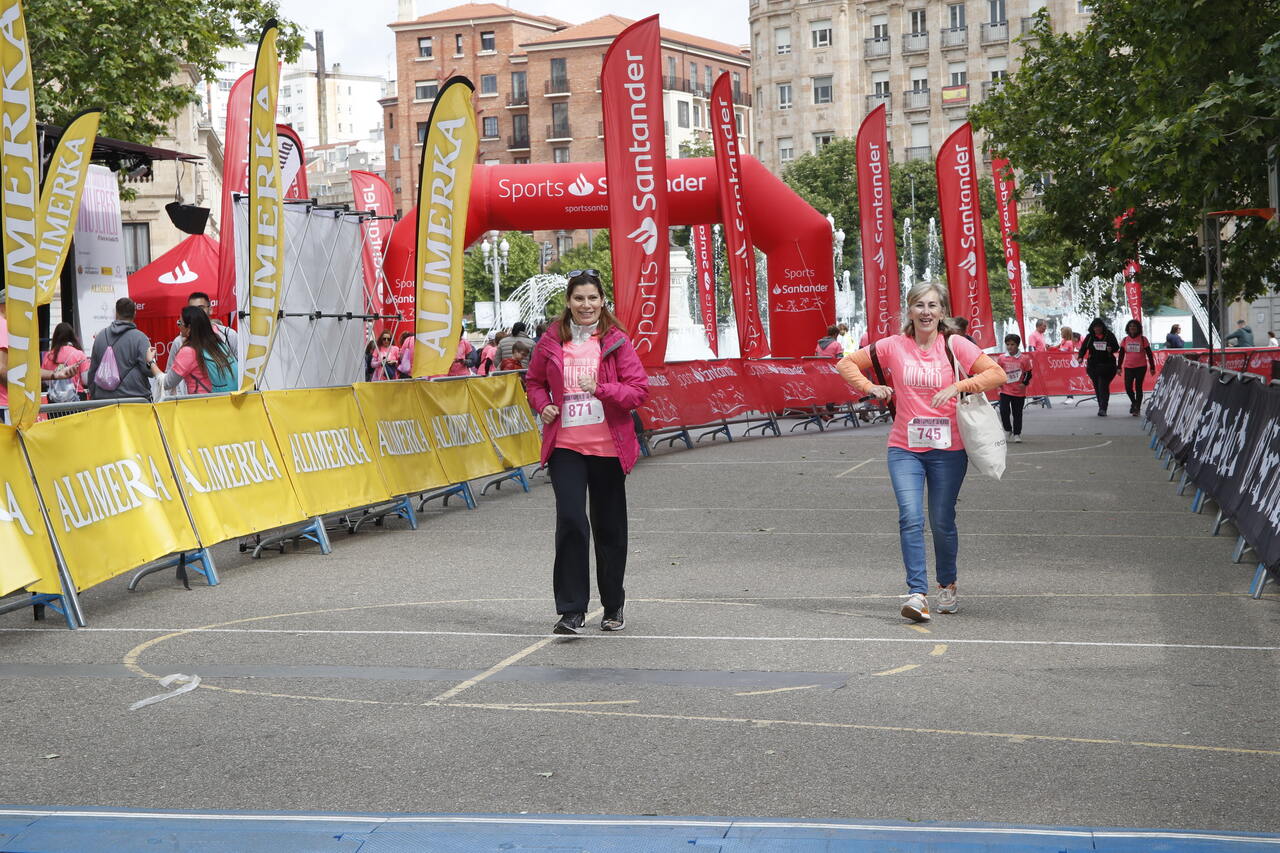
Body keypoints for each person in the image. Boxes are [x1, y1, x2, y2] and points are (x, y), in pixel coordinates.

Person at [837, 282, 1006, 623]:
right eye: (919, 305)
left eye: (933, 306)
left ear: (942, 312)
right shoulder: (892, 346)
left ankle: (948, 585)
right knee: (910, 518)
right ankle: (917, 593)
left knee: (941, 522)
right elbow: (846, 364)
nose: (926, 312)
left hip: (949, 450)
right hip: (905, 448)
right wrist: (871, 387)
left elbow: (996, 374)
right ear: (909, 311)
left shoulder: (954, 344)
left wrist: (959, 385)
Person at [525, 270, 649, 635]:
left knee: (609, 528)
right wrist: (543, 404)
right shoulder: (551, 340)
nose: (586, 305)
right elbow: (533, 382)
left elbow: (638, 391)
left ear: (602, 301)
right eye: (579, 298)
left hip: (609, 448)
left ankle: (613, 605)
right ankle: (571, 611)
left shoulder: (616, 341)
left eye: (592, 298)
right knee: (571, 522)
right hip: (566, 447)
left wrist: (602, 389)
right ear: (568, 301)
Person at [88, 298, 162, 401]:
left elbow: (92, 371)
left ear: (116, 313)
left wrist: (93, 395)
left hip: (104, 402)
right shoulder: (140, 338)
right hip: (135, 401)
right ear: (134, 314)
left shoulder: (100, 337)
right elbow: (148, 371)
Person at [0, 292, 60, 420]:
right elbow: (1, 368)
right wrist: (20, 392)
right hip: (6, 406)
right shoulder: (4, 326)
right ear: (4, 307)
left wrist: (55, 375)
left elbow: (24, 370)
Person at [161, 306, 235, 396]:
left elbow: (167, 383)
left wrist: (151, 362)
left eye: (180, 322)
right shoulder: (218, 342)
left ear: (189, 327)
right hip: (223, 400)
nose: (178, 326)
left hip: (201, 404)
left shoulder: (189, 351)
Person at [169, 291, 238, 369]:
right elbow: (170, 373)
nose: (197, 313)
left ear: (210, 310)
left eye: (200, 308)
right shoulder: (179, 341)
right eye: (193, 309)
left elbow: (242, 365)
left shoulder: (229, 335)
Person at [1077, 317, 1120, 416]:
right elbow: (1083, 348)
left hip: (1107, 365)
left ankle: (1103, 408)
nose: (1097, 329)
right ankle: (1101, 406)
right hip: (1093, 366)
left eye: (1099, 327)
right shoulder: (1090, 337)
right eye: (1095, 327)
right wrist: (1080, 357)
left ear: (1102, 327)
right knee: (1097, 387)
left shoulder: (1109, 335)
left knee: (1103, 386)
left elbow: (1116, 347)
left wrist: (1111, 349)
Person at [995, 333, 1033, 443]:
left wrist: (1024, 383)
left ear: (1017, 345)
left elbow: (1028, 373)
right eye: (1007, 344)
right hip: (1005, 389)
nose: (1010, 347)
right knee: (1003, 410)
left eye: (1012, 344)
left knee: (1017, 413)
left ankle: (1017, 433)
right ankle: (1008, 430)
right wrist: (998, 382)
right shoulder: (1002, 358)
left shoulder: (1024, 359)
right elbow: (998, 371)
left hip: (1018, 391)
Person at [41, 323, 91, 400]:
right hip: (76, 398)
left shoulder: (48, 356)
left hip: (54, 399)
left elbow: (45, 381)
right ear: (72, 336)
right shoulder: (79, 354)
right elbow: (85, 380)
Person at [1119, 319, 1156, 417]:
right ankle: (1134, 402)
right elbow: (1121, 354)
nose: (1132, 328)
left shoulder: (1143, 339)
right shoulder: (1125, 340)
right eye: (1130, 326)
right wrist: (1118, 367)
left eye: (1134, 326)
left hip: (1141, 367)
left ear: (1138, 328)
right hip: (1128, 367)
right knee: (1128, 387)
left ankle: (1137, 408)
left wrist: (1152, 367)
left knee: (1138, 387)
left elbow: (1149, 354)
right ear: (1128, 328)